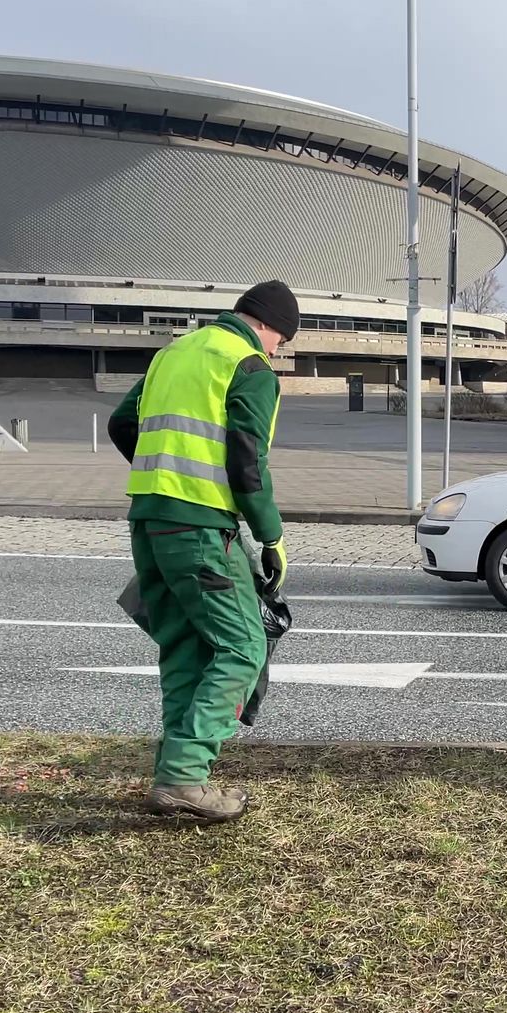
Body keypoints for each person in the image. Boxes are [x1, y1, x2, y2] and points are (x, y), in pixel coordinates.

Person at [107, 280, 298, 822]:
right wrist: (272, 537)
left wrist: (163, 474)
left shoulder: (175, 352)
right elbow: (247, 464)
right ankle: (186, 775)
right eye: (281, 342)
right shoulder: (249, 366)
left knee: (186, 646)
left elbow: (123, 423)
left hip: (149, 520)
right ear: (270, 329)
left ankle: (175, 775)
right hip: (201, 528)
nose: (277, 353)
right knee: (242, 647)